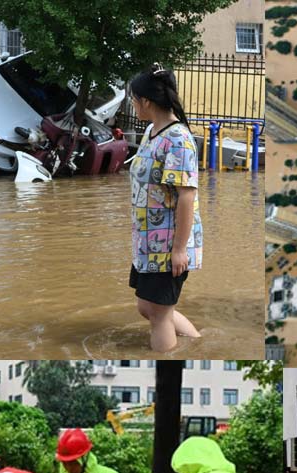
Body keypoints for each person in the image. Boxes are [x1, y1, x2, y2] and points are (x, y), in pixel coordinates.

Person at [127, 68, 203, 351]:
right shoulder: (151, 131)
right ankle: (197, 344)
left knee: (158, 313)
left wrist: (179, 249)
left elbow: (186, 196)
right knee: (147, 307)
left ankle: (167, 360)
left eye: (134, 99)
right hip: (148, 240)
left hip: (168, 244)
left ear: (146, 101)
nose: (133, 104)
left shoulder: (178, 140)